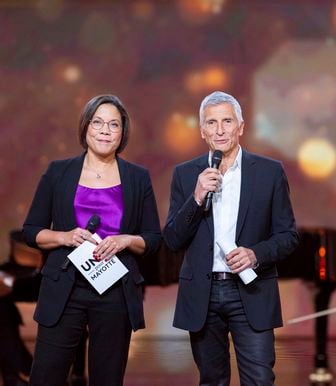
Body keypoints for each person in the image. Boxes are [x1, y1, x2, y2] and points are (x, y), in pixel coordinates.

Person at [22, 94, 162, 386]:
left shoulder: (138, 177)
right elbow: (32, 231)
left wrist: (125, 240)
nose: (105, 130)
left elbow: (152, 239)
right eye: (97, 122)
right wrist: (64, 236)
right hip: (64, 289)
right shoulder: (58, 172)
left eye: (114, 124)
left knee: (107, 380)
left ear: (123, 133)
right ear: (85, 127)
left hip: (115, 292)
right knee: (45, 377)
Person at [164, 91, 299, 385]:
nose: (220, 130)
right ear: (202, 131)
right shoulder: (186, 175)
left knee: (259, 380)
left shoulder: (269, 172)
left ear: (241, 126)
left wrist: (255, 254)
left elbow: (288, 236)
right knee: (212, 380)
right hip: (203, 293)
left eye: (227, 121)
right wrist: (197, 197)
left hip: (250, 290)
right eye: (211, 123)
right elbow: (173, 239)